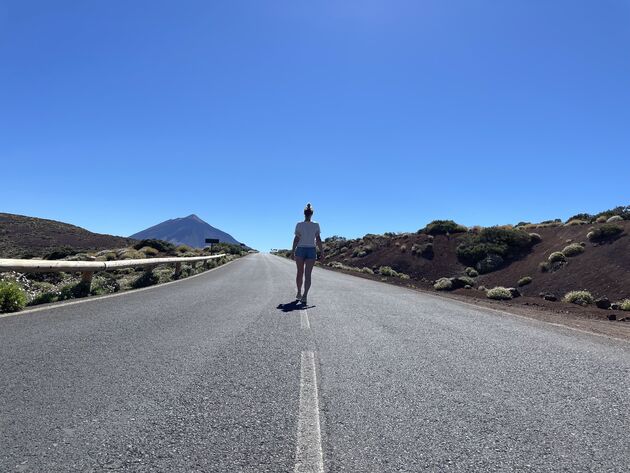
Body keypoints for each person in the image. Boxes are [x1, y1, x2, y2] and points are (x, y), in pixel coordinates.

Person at [291, 203, 324, 305]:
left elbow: (296, 239)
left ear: (304, 213)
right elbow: (318, 239)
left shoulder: (299, 225)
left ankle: (299, 293)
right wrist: (322, 251)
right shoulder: (316, 225)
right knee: (308, 274)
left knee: (299, 272)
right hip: (311, 250)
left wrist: (292, 251)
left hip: (300, 249)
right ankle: (305, 296)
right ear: (312, 214)